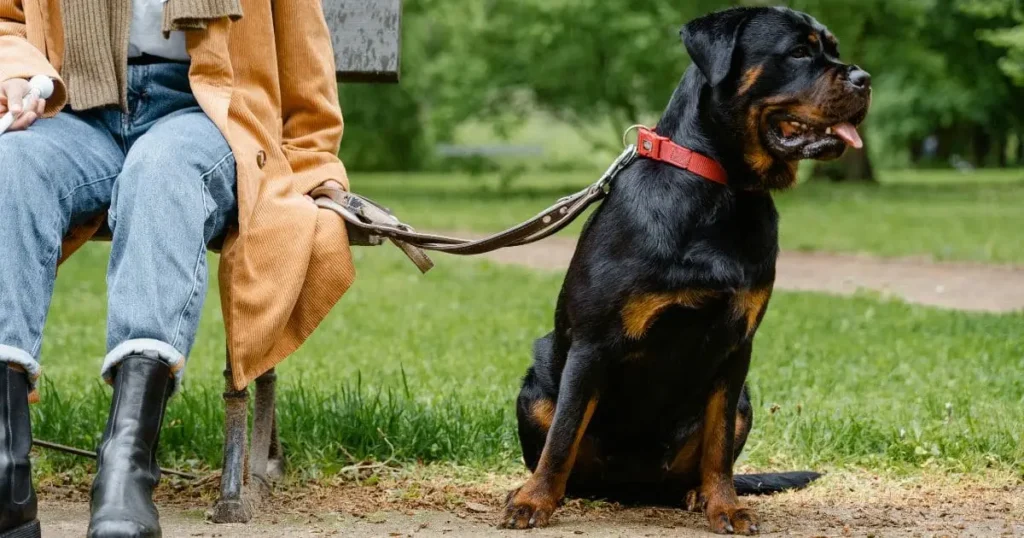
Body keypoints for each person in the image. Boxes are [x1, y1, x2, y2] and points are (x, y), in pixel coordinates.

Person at [0, 1, 357, 536]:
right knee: (13, 167)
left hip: (206, 108)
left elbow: (303, 55)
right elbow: (8, 19)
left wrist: (315, 163)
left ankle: (127, 470)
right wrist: (19, 72)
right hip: (78, 103)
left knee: (161, 174)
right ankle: (6, 467)